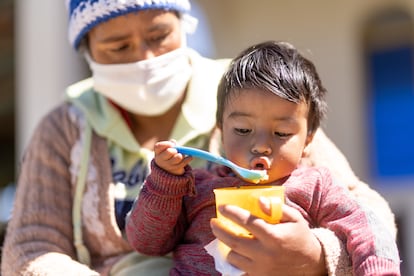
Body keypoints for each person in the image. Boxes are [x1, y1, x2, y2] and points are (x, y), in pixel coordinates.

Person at [0, 0, 396, 275]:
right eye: (118, 47)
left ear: (184, 24)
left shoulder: (252, 94)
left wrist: (314, 256)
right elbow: (30, 251)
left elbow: (365, 212)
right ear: (86, 51)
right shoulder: (64, 129)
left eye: (159, 36)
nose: (146, 59)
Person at [125, 41, 400, 275]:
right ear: (220, 132)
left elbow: (369, 231)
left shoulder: (317, 187)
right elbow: (147, 243)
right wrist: (164, 182)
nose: (260, 145)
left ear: (308, 141)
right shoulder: (194, 187)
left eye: (281, 133)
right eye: (243, 130)